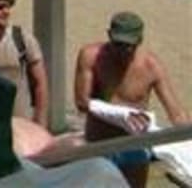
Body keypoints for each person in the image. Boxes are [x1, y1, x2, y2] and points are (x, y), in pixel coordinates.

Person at [74, 11, 189, 188]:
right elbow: (82, 102)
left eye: (129, 46)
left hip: (134, 148)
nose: (122, 51)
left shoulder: (151, 66)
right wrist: (121, 115)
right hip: (99, 144)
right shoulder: (91, 57)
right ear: (109, 35)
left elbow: (177, 114)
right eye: (118, 44)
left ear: (139, 40)